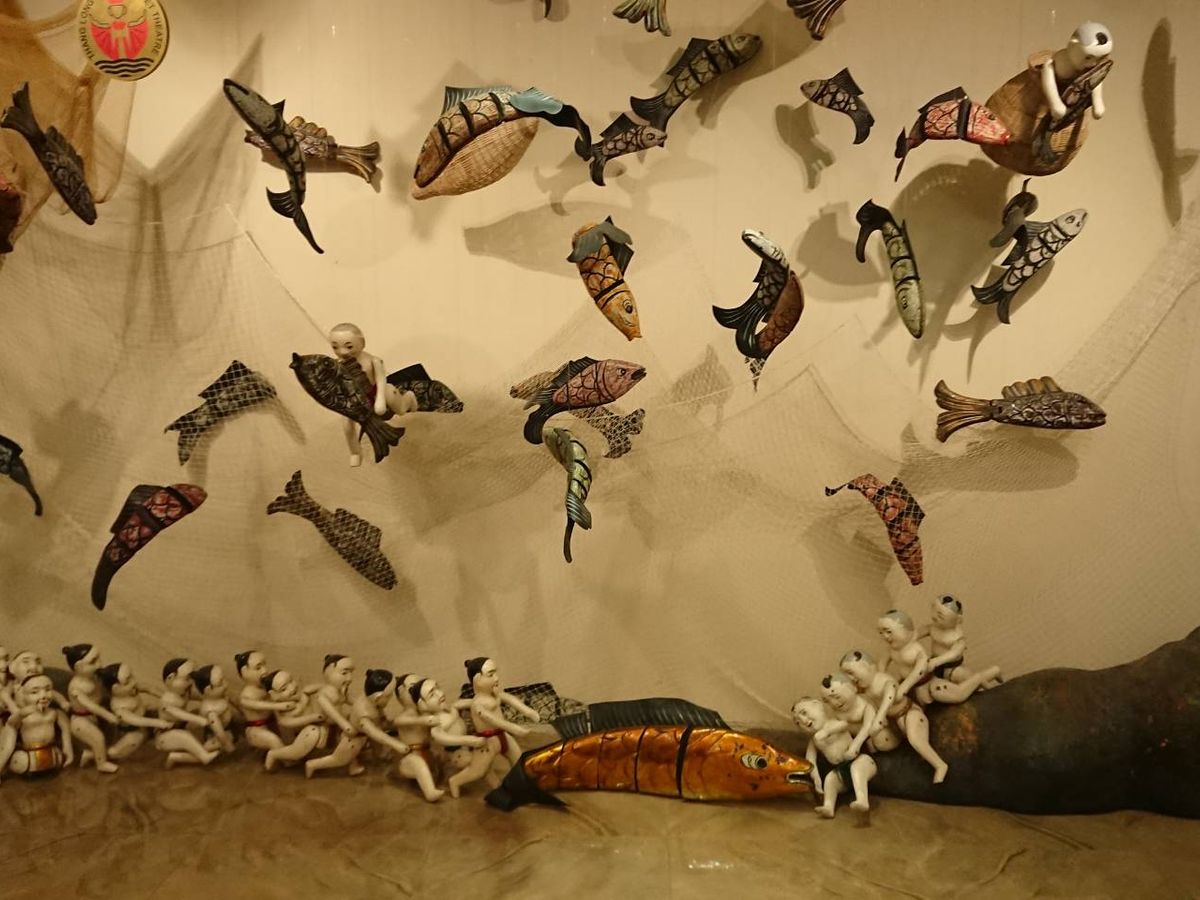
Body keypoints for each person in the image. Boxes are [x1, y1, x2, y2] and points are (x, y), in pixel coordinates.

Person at [840, 647, 948, 783]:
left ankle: (940, 765)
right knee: (879, 741)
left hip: (908, 713)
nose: (851, 678)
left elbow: (889, 697)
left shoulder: (883, 680)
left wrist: (880, 717)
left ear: (866, 666)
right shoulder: (865, 688)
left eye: (851, 673)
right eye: (847, 676)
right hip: (893, 722)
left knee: (915, 739)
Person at [328, 323, 418, 466]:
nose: (342, 352)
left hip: (376, 391)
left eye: (349, 346)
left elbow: (381, 380)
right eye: (335, 347)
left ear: (362, 343)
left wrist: (380, 399)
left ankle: (409, 398)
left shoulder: (373, 361)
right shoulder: (336, 365)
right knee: (346, 424)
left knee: (399, 409)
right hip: (356, 398)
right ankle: (355, 452)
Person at [792, 697, 876, 818]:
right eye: (798, 722)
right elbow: (810, 760)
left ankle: (862, 800)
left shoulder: (834, 723)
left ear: (817, 705)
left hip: (861, 761)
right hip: (841, 769)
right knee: (830, 779)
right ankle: (828, 807)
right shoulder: (814, 741)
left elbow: (844, 725)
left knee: (856, 769)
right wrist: (816, 778)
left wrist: (827, 731)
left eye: (804, 713)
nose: (803, 721)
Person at [460, 657, 539, 777]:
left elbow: (509, 698)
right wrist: (513, 728)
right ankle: (455, 782)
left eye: (495, 673)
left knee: (519, 761)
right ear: (477, 679)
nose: (496, 678)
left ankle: (521, 780)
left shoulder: (495, 694)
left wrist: (528, 711)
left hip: (503, 736)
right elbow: (491, 719)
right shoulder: (478, 704)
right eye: (490, 675)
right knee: (477, 771)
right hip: (488, 742)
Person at [303, 654, 368, 778]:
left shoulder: (342, 692)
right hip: (325, 726)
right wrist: (346, 726)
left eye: (351, 673)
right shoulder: (323, 695)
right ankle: (312, 765)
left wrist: (367, 707)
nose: (349, 678)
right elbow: (333, 713)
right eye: (344, 673)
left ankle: (353, 766)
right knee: (342, 753)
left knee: (349, 747)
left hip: (337, 726)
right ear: (329, 673)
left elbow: (356, 703)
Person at [63, 644, 120, 773]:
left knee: (99, 742)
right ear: (79, 667)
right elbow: (89, 705)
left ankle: (89, 754)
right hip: (80, 721)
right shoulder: (76, 687)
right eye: (93, 662)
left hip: (91, 718)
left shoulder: (94, 678)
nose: (99, 664)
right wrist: (107, 715)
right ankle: (101, 764)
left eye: (98, 658)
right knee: (98, 739)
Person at [98, 662, 173, 760]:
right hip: (133, 730)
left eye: (132, 676)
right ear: (115, 689)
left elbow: (149, 688)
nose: (133, 682)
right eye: (127, 682)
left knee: (163, 713)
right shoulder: (119, 707)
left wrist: (166, 697)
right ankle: (98, 754)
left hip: (146, 717)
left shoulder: (133, 688)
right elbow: (136, 720)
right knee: (116, 752)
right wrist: (158, 723)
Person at [6, 674, 73, 775]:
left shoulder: (54, 713)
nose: (43, 696)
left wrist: (67, 747)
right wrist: (20, 714)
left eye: (48, 689)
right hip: (27, 757)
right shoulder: (23, 714)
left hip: (52, 754)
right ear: (24, 695)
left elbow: (66, 729)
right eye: (34, 692)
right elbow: (11, 725)